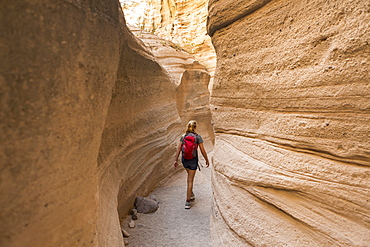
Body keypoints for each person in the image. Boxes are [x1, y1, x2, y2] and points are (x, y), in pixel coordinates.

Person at [173, 120, 210, 209]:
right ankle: (187, 201)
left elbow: (179, 149)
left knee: (189, 177)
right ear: (195, 128)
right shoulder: (198, 137)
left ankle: (191, 193)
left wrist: (176, 160)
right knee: (190, 181)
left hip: (184, 160)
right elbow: (202, 150)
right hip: (193, 160)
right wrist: (206, 159)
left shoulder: (183, 136)